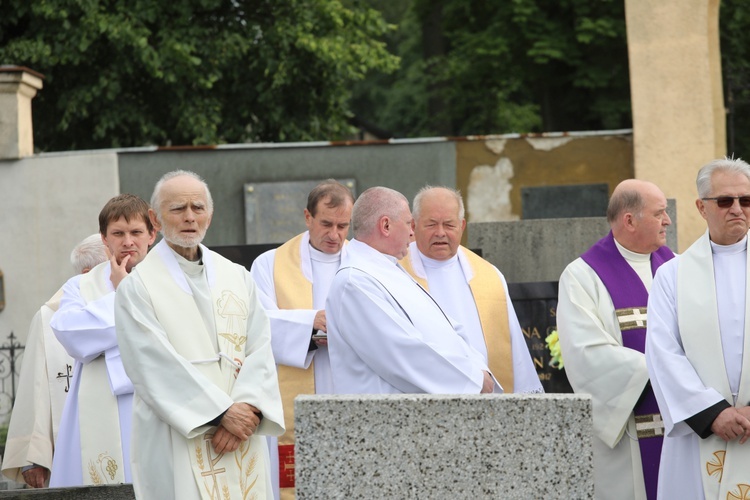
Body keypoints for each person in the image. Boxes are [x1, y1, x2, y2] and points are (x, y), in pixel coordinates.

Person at [115, 170, 284, 500]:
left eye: (198, 207)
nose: (190, 217)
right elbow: (150, 363)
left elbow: (260, 346)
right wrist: (221, 414)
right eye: (178, 208)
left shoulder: (236, 276)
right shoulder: (139, 285)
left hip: (242, 431)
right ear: (155, 218)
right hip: (178, 433)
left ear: (211, 213)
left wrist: (247, 407)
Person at [557, 179, 674, 500]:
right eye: (660, 213)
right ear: (629, 220)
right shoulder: (582, 276)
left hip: (683, 429)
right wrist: (666, 369)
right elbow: (586, 355)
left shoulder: (678, 268)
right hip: (630, 436)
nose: (668, 221)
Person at [326, 186, 498, 394]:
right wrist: (473, 381)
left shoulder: (388, 269)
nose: (411, 232)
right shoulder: (354, 282)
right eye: (408, 223)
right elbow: (401, 355)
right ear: (386, 225)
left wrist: (479, 368)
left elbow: (449, 329)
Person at [647, 158, 750, 499]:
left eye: (745, 200)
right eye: (725, 201)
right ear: (701, 207)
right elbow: (663, 353)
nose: (737, 209)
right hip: (701, 433)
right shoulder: (673, 276)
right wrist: (712, 413)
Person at [250, 179, 354, 500]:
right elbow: (256, 323)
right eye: (326, 224)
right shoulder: (269, 264)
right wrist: (311, 326)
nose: (334, 235)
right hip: (293, 398)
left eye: (343, 226)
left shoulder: (366, 263)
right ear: (307, 218)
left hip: (350, 388)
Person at [48, 194, 156, 487]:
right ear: (104, 239)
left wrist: (105, 335)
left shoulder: (169, 282)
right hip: (100, 404)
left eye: (136, 232)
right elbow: (72, 336)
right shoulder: (80, 286)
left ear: (152, 235)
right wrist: (122, 298)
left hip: (159, 405)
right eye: (118, 234)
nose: (128, 241)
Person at [400, 186, 543, 394]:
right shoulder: (396, 272)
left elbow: (515, 348)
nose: (440, 233)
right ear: (413, 225)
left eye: (449, 224)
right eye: (431, 224)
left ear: (462, 226)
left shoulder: (489, 276)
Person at [2, 234, 107, 488]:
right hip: (76, 446)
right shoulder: (51, 317)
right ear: (86, 273)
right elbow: (34, 389)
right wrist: (32, 458)